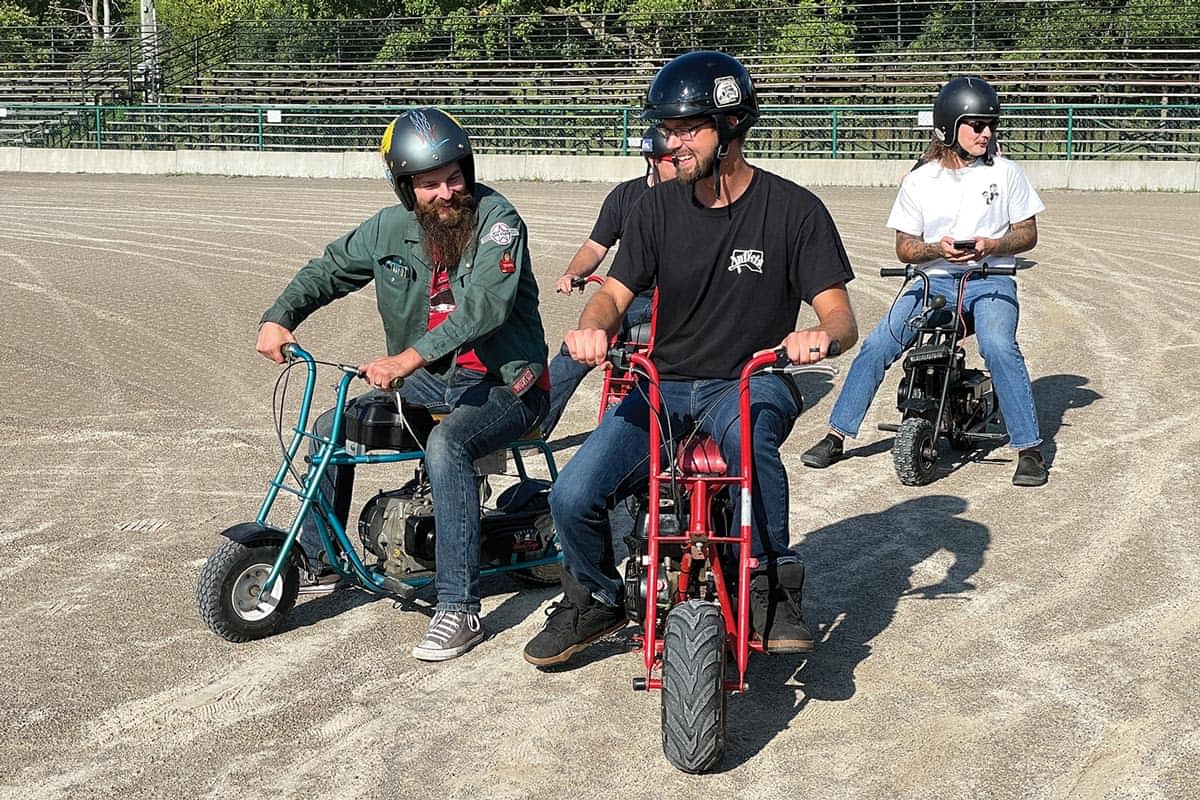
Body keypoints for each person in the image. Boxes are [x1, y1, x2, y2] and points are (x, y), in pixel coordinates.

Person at [523, 51, 859, 667]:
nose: (670, 143)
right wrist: (589, 330)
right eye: (666, 130)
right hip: (663, 384)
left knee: (752, 449)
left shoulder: (794, 211)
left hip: (750, 380)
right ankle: (594, 596)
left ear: (732, 127)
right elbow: (614, 296)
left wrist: (820, 336)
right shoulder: (653, 209)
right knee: (571, 494)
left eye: (686, 130)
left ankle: (771, 584)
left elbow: (842, 319)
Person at [255, 107, 550, 661]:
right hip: (429, 385)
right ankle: (320, 561)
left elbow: (484, 307)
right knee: (329, 429)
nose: (446, 192)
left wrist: (407, 358)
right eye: (430, 183)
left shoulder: (498, 221)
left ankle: (459, 608)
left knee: (449, 444)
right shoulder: (389, 228)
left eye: (454, 176)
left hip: (507, 386)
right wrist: (280, 316)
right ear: (405, 186)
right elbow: (330, 269)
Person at [801, 76, 1048, 487]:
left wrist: (992, 244)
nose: (987, 133)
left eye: (991, 125)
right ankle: (837, 434)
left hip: (992, 278)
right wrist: (936, 249)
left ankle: (1029, 448)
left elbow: (1028, 233)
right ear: (949, 126)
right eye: (977, 125)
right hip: (932, 280)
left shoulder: (1007, 173)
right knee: (878, 344)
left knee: (999, 346)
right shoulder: (919, 180)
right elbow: (904, 247)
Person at [540, 127, 678, 436]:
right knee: (577, 347)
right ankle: (535, 424)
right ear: (651, 159)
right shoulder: (625, 195)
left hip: (677, 302)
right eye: (672, 158)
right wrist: (573, 272)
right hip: (631, 298)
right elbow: (595, 246)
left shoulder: (698, 197)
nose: (681, 162)